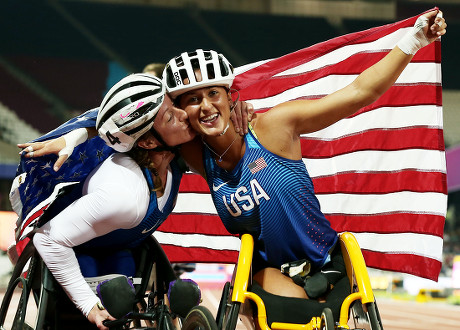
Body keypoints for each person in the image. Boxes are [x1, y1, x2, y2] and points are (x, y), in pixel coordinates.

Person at [161, 9, 447, 324]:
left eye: (213, 93)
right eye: (192, 99)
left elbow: (358, 94)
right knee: (256, 306)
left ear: (230, 98)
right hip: (267, 271)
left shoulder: (274, 127)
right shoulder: (193, 154)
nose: (205, 106)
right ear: (180, 110)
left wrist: (415, 40)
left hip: (326, 261)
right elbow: (140, 123)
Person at [13, 73, 252, 329]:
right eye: (171, 116)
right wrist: (88, 305)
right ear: (149, 141)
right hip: (72, 246)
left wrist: (239, 107)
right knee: (114, 306)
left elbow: (122, 112)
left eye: (174, 106)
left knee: (126, 292)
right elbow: (49, 238)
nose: (184, 114)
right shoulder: (124, 194)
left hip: (118, 244)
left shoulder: (170, 147)